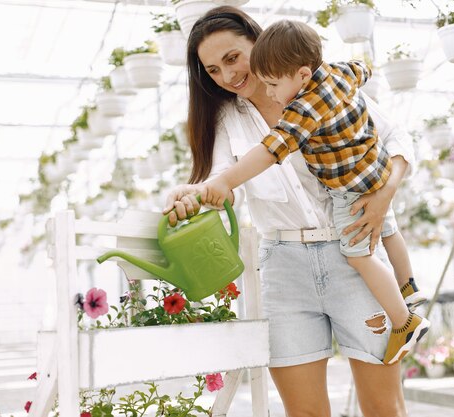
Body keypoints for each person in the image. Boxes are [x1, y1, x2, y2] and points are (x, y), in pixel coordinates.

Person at [163, 6, 413, 416]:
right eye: (212, 70)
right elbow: (223, 180)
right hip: (284, 270)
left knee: (385, 409)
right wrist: (191, 192)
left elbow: (397, 135)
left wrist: (386, 192)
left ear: (257, 44)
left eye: (232, 58)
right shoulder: (225, 117)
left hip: (355, 255)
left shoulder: (319, 81)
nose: (227, 77)